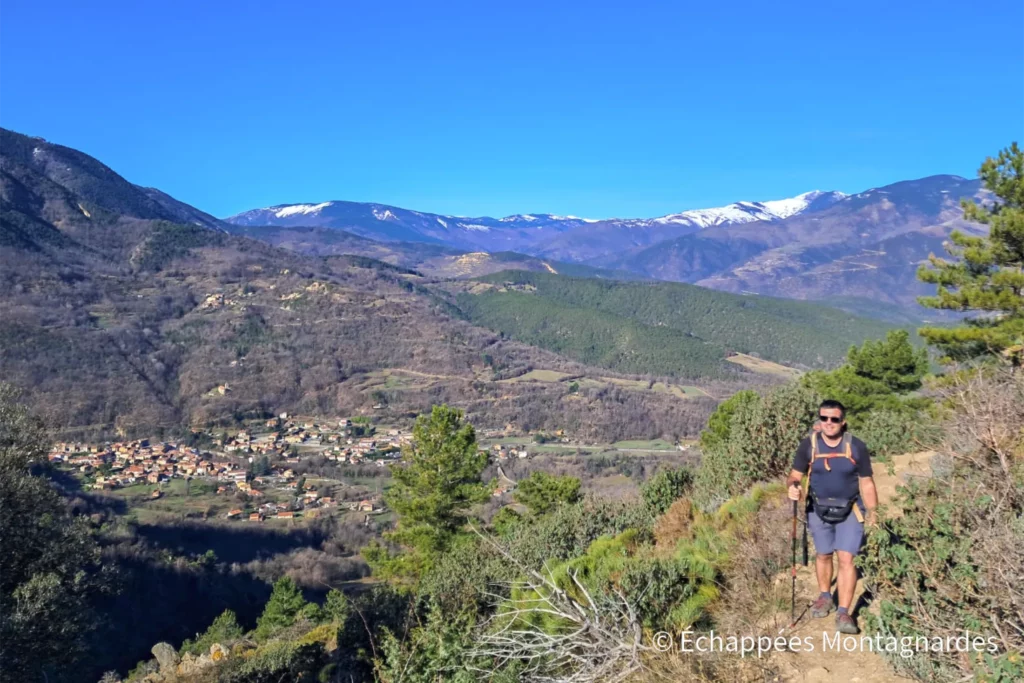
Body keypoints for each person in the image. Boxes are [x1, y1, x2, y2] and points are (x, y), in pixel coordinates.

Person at [786, 399, 878, 634]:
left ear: (843, 421)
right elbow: (794, 475)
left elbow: (867, 482)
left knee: (847, 559)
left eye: (834, 418)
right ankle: (825, 596)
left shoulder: (856, 446)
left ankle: (844, 612)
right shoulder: (809, 445)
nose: (828, 422)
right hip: (817, 509)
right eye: (824, 418)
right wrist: (793, 486)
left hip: (851, 510)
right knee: (824, 554)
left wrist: (873, 512)